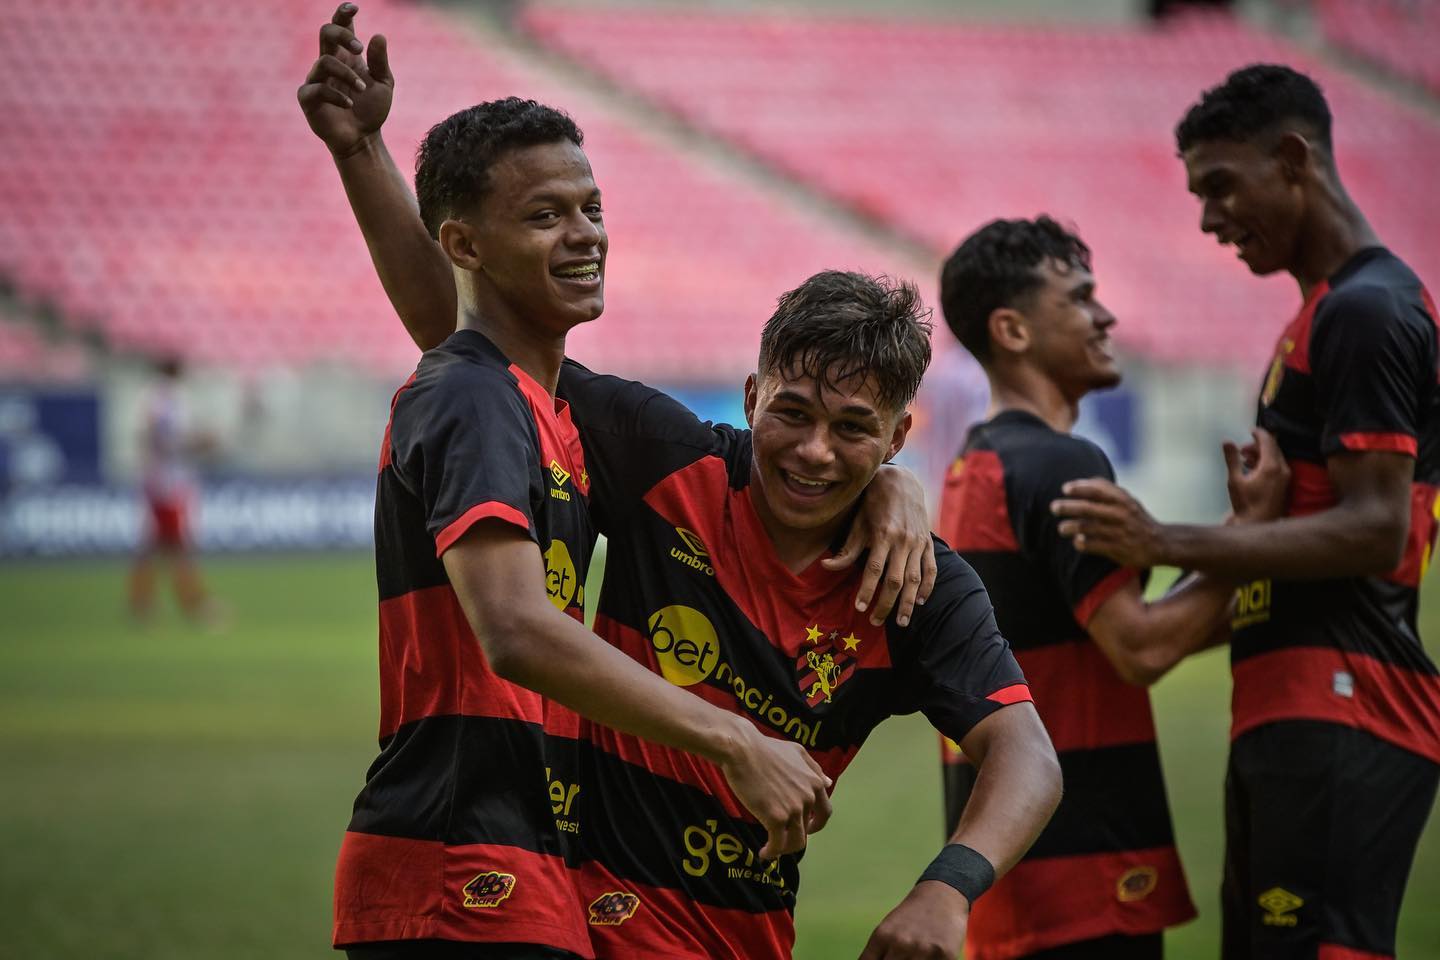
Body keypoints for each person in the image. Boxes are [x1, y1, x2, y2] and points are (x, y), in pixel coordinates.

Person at [299, 11, 1064, 960]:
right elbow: (470, 338)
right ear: (751, 397)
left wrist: (948, 893)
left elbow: (1027, 753)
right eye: (792, 414)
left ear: (900, 434)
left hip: (733, 932)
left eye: (856, 431)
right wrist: (364, 151)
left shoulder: (919, 584)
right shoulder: (660, 455)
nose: (814, 452)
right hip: (546, 895)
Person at [1053, 64, 1440, 960]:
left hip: (1346, 698)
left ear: (1295, 158)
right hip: (1294, 702)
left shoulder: (1367, 312)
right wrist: (1246, 537)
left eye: (1222, 186)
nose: (1208, 218)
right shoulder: (1323, 314)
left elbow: (1377, 531)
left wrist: (1159, 540)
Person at [934, 216, 1290, 960]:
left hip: (1010, 872)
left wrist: (1257, 554)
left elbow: (1103, 639)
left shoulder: (978, 465)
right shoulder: (1059, 462)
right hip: (1085, 872)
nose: (1107, 316)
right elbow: (1143, 645)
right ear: (1014, 330)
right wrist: (1250, 536)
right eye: (1080, 298)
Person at [127, 356, 219, 624]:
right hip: (169, 483)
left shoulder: (154, 398)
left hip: (160, 480)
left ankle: (142, 602)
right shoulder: (166, 399)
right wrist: (198, 444)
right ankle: (192, 603)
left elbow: (151, 436)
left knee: (157, 545)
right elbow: (163, 438)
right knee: (178, 546)